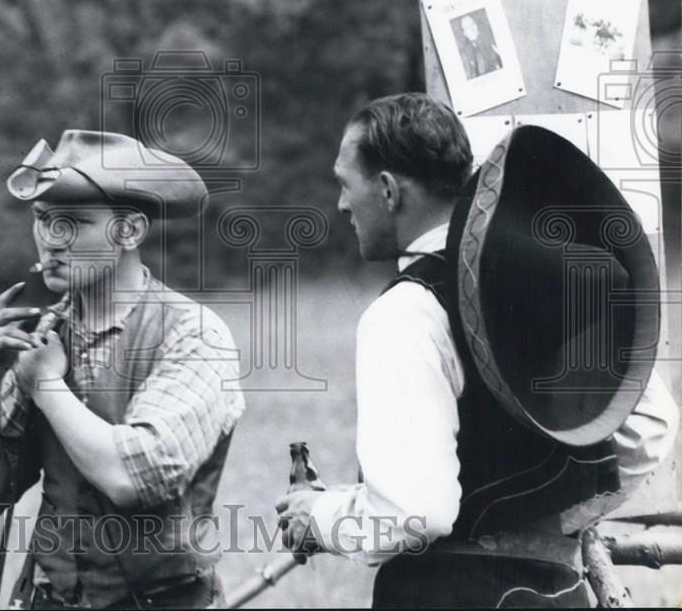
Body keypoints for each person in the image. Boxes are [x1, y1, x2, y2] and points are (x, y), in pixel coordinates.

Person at [276, 92, 678, 607]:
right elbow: (649, 427)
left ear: (387, 189)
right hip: (561, 592)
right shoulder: (548, 275)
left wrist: (320, 518)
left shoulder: (405, 312)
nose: (341, 204)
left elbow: (415, 512)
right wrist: (547, 526)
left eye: (344, 183)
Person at [0, 130, 244, 610]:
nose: (51, 241)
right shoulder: (45, 335)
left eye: (72, 223)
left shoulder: (193, 334)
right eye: (43, 220)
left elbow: (132, 477)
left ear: (130, 231)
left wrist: (47, 384)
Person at [456, 13, 503, 79]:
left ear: (476, 25)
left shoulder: (490, 42)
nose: (472, 29)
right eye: (467, 28)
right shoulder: (464, 54)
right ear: (465, 33)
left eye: (472, 24)